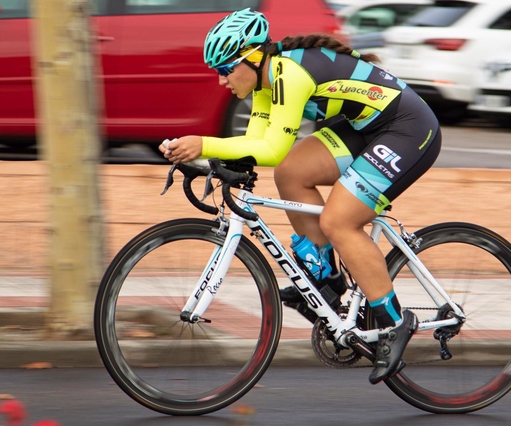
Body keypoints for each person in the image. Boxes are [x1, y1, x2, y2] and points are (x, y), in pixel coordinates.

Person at [159, 8, 442, 385]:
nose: (222, 79)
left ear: (254, 57)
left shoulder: (288, 75)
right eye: (217, 72)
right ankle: (326, 279)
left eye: (225, 69)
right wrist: (208, 159)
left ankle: (393, 322)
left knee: (339, 220)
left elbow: (272, 147)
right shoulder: (264, 81)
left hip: (407, 129)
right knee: (292, 172)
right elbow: (256, 145)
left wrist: (203, 144)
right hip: (366, 128)